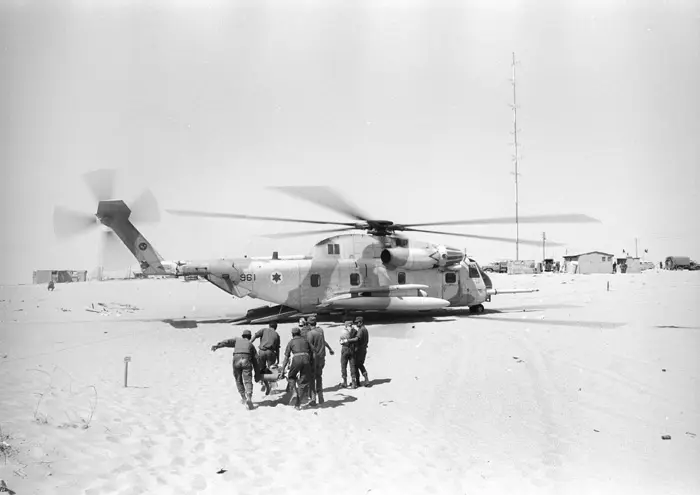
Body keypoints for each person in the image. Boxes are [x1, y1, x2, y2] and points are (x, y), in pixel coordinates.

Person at [211, 329, 262, 410]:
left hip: (236, 359)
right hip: (246, 359)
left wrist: (217, 346)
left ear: (242, 336)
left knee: (238, 380)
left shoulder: (237, 340)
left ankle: (244, 398)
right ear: (249, 337)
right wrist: (257, 373)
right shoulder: (251, 345)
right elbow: (256, 360)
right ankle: (249, 397)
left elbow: (227, 342)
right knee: (248, 380)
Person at [280, 327, 314, 409]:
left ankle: (294, 392)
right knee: (303, 383)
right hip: (306, 359)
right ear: (300, 333)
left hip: (296, 359)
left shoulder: (291, 342)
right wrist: (311, 364)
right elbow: (313, 351)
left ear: (292, 334)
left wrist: (282, 370)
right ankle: (298, 404)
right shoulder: (306, 340)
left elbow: (286, 357)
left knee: (291, 376)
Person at [306, 316, 335, 404]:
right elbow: (323, 341)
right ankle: (321, 397)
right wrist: (330, 348)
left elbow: (309, 347)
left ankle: (313, 399)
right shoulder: (321, 331)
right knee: (319, 376)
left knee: (312, 378)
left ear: (308, 324)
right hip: (322, 357)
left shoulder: (310, 333)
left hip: (314, 358)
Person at [251, 322, 281, 395]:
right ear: (276, 327)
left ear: (269, 326)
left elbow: (255, 335)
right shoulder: (277, 335)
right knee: (271, 370)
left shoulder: (264, 330)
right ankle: (272, 386)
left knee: (262, 370)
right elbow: (277, 349)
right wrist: (278, 358)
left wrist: (250, 342)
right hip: (271, 352)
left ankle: (266, 385)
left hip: (261, 351)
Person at [350, 316, 370, 387]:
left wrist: (348, 340)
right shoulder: (365, 329)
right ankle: (365, 380)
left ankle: (359, 381)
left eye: (357, 322)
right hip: (364, 350)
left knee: (356, 365)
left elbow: (356, 339)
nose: (356, 324)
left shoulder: (361, 330)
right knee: (360, 364)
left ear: (361, 322)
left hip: (359, 350)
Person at [339, 321, 358, 389]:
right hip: (352, 349)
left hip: (345, 349)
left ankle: (344, 382)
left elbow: (341, 342)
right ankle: (353, 382)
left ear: (346, 325)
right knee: (352, 366)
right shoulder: (355, 331)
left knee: (343, 365)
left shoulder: (344, 331)